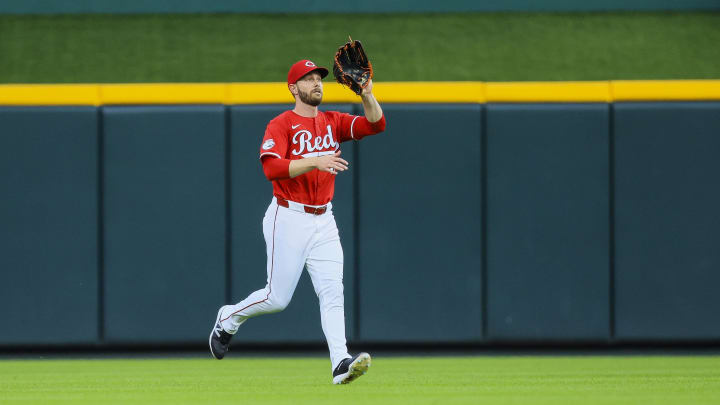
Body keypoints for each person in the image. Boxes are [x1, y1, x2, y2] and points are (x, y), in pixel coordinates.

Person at [209, 59, 386, 385]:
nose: (316, 83)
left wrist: (367, 94)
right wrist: (315, 160)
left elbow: (375, 125)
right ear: (293, 88)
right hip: (287, 217)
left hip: (324, 220)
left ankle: (340, 363)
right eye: (307, 79)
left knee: (333, 292)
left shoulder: (332, 121)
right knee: (277, 298)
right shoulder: (282, 124)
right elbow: (272, 169)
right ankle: (228, 318)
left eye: (318, 77)